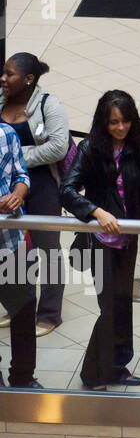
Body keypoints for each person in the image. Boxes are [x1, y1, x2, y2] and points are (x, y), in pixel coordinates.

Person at [60, 91, 140, 390]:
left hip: (128, 242)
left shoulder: (138, 147)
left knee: (122, 304)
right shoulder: (90, 148)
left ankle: (117, 367)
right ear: (104, 122)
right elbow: (67, 190)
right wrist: (95, 210)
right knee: (109, 308)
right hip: (100, 242)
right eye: (114, 122)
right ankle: (93, 373)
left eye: (125, 121)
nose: (120, 128)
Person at [0, 53, 71, 336]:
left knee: (47, 247)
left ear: (28, 80)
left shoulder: (48, 104)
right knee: (14, 249)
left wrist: (16, 156)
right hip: (9, 187)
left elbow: (58, 147)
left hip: (42, 185)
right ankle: (18, 306)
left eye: (9, 74)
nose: (3, 79)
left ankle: (50, 313)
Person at [0, 121, 40, 388]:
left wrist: (18, 193)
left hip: (13, 242)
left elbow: (21, 174)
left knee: (24, 312)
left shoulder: (6, 133)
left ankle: (23, 379)